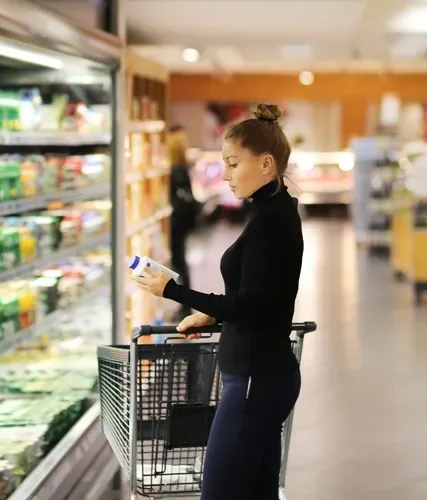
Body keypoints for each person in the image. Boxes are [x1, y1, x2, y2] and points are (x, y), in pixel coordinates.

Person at [132, 103, 303, 500]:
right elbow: (262, 297)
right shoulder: (275, 212)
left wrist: (171, 291)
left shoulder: (270, 223)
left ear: (265, 164)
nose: (225, 175)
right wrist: (210, 315)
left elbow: (251, 307)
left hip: (254, 381)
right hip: (261, 377)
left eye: (232, 164)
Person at [166, 124, 198, 320]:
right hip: (183, 221)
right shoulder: (182, 166)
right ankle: (185, 303)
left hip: (176, 222)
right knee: (181, 261)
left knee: (179, 261)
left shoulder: (174, 170)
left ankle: (185, 304)